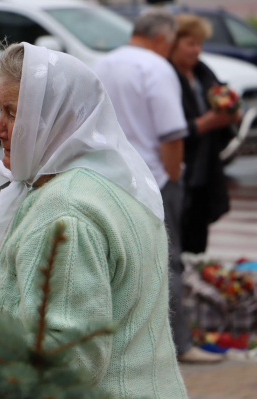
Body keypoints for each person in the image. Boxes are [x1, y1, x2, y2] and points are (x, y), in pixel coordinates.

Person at [0, 43, 188, 397]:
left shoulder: (66, 210)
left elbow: (73, 360)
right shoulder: (110, 180)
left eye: (13, 112)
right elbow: (32, 270)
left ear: (56, 118)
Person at [93, 9, 222, 363]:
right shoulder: (156, 67)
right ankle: (180, 344)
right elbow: (172, 133)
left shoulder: (102, 64)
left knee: (114, 262)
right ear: (162, 38)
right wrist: (174, 176)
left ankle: (118, 342)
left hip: (108, 176)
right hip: (153, 179)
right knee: (168, 261)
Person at [170, 14, 238, 255]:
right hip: (178, 165)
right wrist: (205, 123)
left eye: (199, 44)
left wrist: (232, 113)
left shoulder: (202, 72)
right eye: (190, 43)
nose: (197, 50)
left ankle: (191, 282)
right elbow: (166, 128)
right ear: (173, 42)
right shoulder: (164, 75)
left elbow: (223, 97)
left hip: (204, 165)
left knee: (196, 235)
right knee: (173, 236)